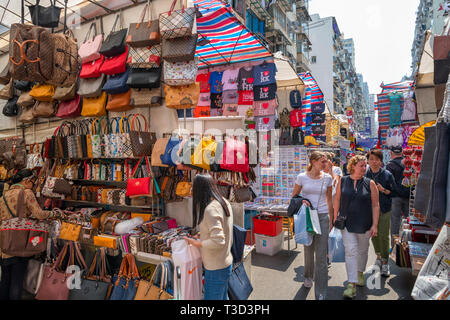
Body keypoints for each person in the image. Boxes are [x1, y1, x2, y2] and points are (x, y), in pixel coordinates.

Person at [0, 169, 63, 300]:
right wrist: (55, 214)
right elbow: (39, 214)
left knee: (5, 281)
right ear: (27, 181)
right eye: (33, 183)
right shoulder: (26, 193)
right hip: (20, 242)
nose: (33, 186)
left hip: (4, 244)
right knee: (17, 283)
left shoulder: (4, 195)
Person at [333, 155, 380, 299]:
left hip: (365, 224)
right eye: (361, 165)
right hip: (347, 223)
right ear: (352, 166)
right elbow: (337, 199)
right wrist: (335, 217)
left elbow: (375, 204)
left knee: (362, 251)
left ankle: (360, 272)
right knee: (351, 251)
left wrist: (375, 225)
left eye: (365, 165)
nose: (364, 168)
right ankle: (351, 284)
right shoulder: (343, 181)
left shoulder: (370, 183)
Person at [183, 174, 233, 300]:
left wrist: (197, 243)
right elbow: (224, 229)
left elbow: (218, 241)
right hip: (225, 261)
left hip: (216, 267)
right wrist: (203, 234)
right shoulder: (223, 202)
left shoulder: (210, 210)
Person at [291, 151, 333, 300]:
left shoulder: (328, 178)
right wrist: (302, 200)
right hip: (307, 217)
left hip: (322, 217)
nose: (325, 164)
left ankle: (321, 292)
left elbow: (329, 199)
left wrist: (331, 219)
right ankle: (308, 276)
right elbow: (294, 196)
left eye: (326, 161)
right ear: (313, 161)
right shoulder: (301, 177)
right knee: (308, 250)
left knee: (321, 256)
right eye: (322, 161)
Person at [365, 149, 396, 277]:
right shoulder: (364, 173)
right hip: (369, 209)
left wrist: (383, 190)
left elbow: (394, 192)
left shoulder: (387, 175)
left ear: (381, 161)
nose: (374, 162)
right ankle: (378, 256)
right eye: (371, 159)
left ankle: (385, 262)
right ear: (368, 160)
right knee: (373, 234)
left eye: (376, 159)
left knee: (383, 235)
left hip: (384, 208)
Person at [386, 146, 410, 245]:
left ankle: (394, 246)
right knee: (409, 221)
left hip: (395, 197)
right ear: (402, 152)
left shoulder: (390, 165)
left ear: (391, 153)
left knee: (395, 221)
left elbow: (388, 182)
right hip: (408, 196)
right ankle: (408, 244)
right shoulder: (409, 164)